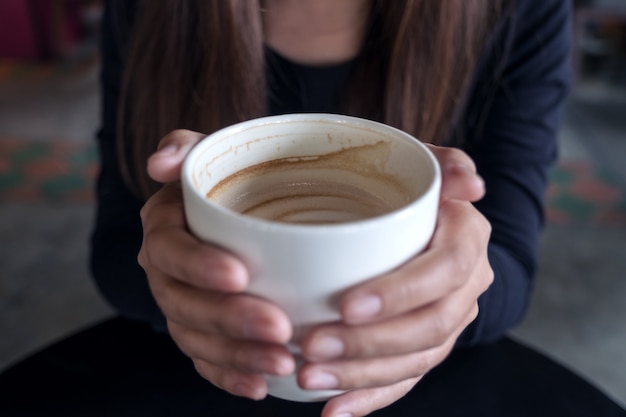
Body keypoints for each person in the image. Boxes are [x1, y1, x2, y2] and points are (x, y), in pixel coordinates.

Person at [83, 1, 622, 416]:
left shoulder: (521, 9)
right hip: (186, 379)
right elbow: (114, 250)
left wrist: (462, 290)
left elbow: (510, 266)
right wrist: (162, 267)